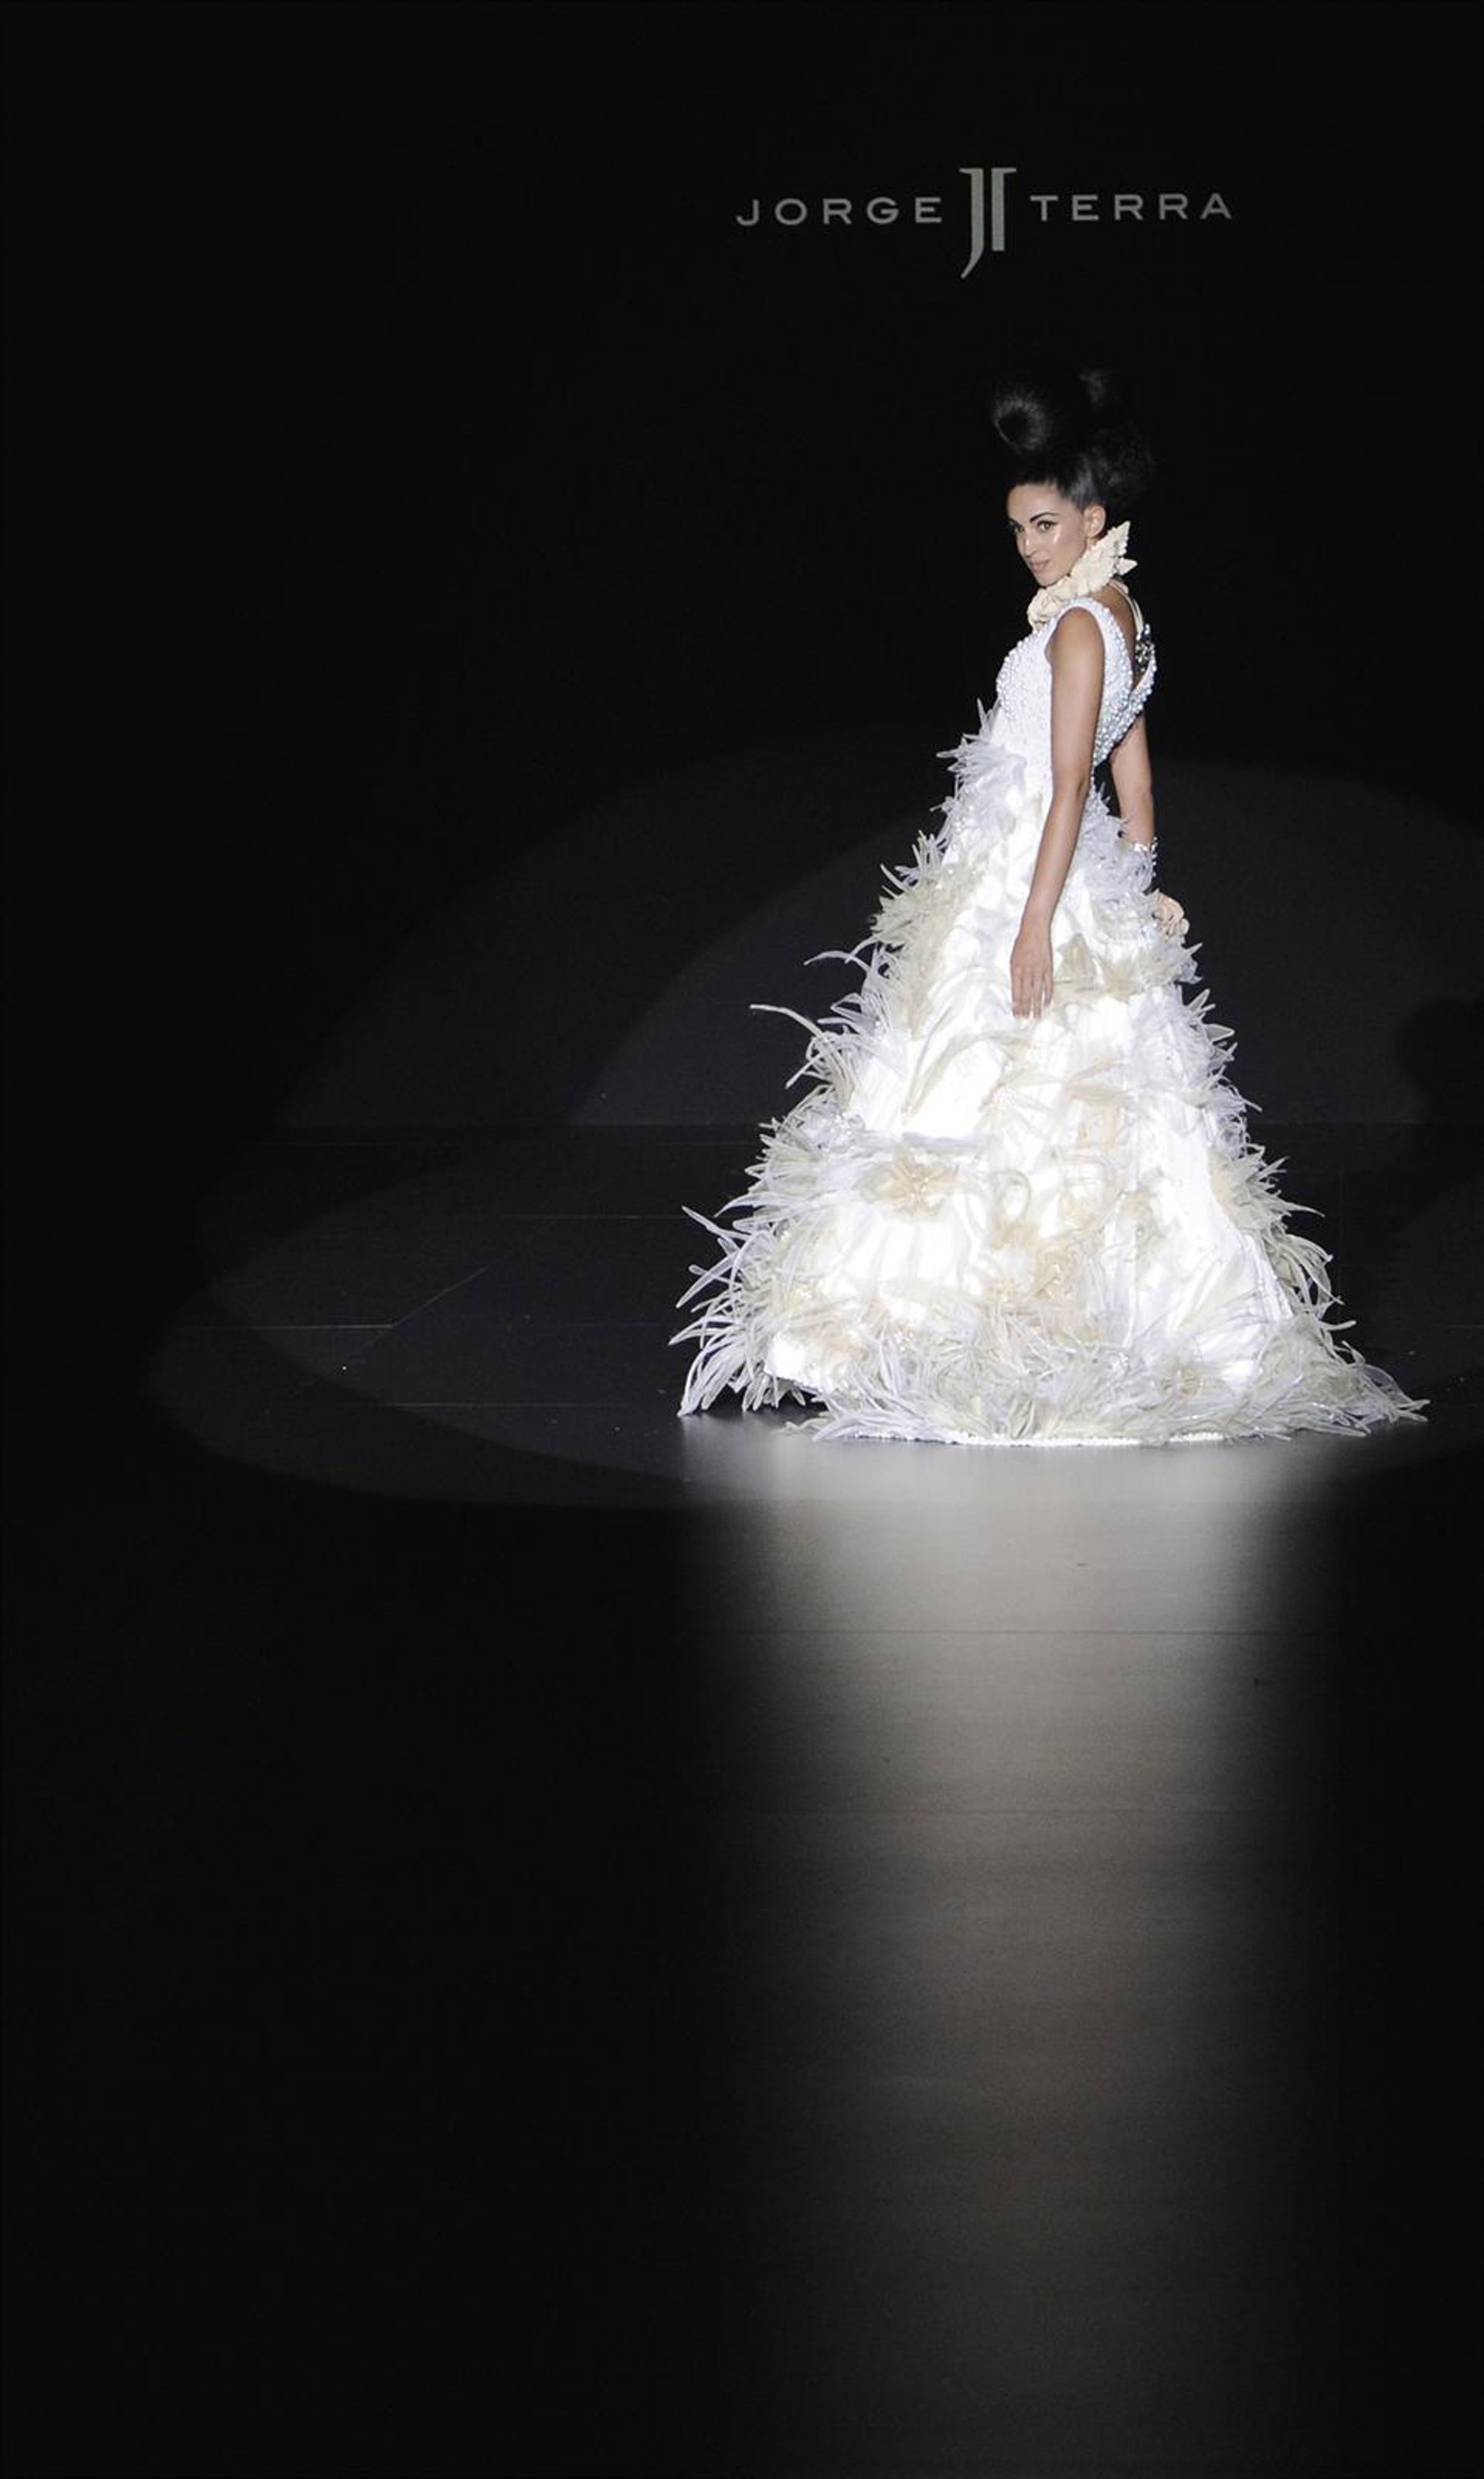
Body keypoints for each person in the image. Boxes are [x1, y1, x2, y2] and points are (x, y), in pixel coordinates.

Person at [669, 362, 1428, 1446]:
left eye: (1045, 525)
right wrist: (1140, 880)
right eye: (1019, 529)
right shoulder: (1128, 618)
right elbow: (1137, 782)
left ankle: (959, 1329)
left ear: (1093, 518)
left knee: (996, 1081)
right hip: (1067, 871)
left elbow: (1075, 782)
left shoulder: (1079, 629)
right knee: (1065, 1087)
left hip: (1029, 870)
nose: (1029, 546)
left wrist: (1037, 923)